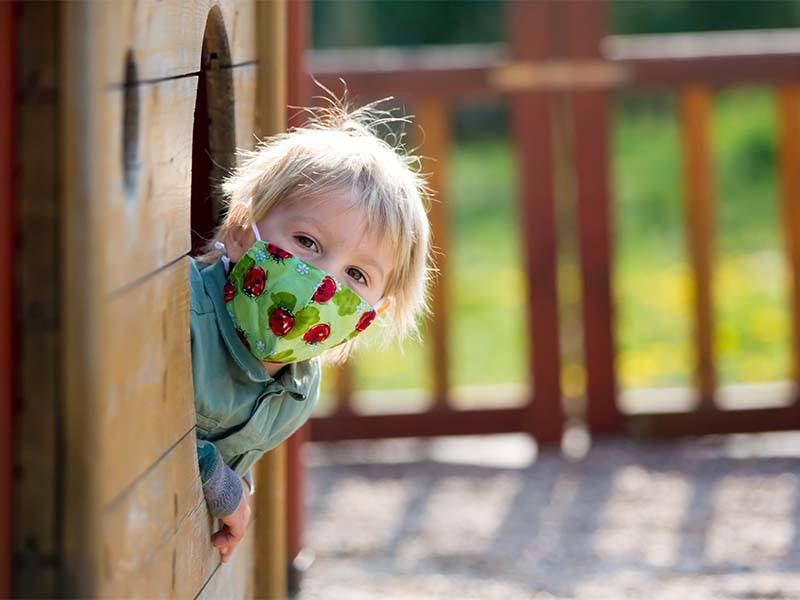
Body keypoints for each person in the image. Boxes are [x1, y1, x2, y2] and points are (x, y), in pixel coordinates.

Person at [189, 98, 432, 562]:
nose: (324, 283)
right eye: (307, 242)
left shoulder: (298, 391)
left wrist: (235, 482)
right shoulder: (182, 314)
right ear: (242, 230)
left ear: (368, 317)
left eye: (357, 277)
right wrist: (221, 487)